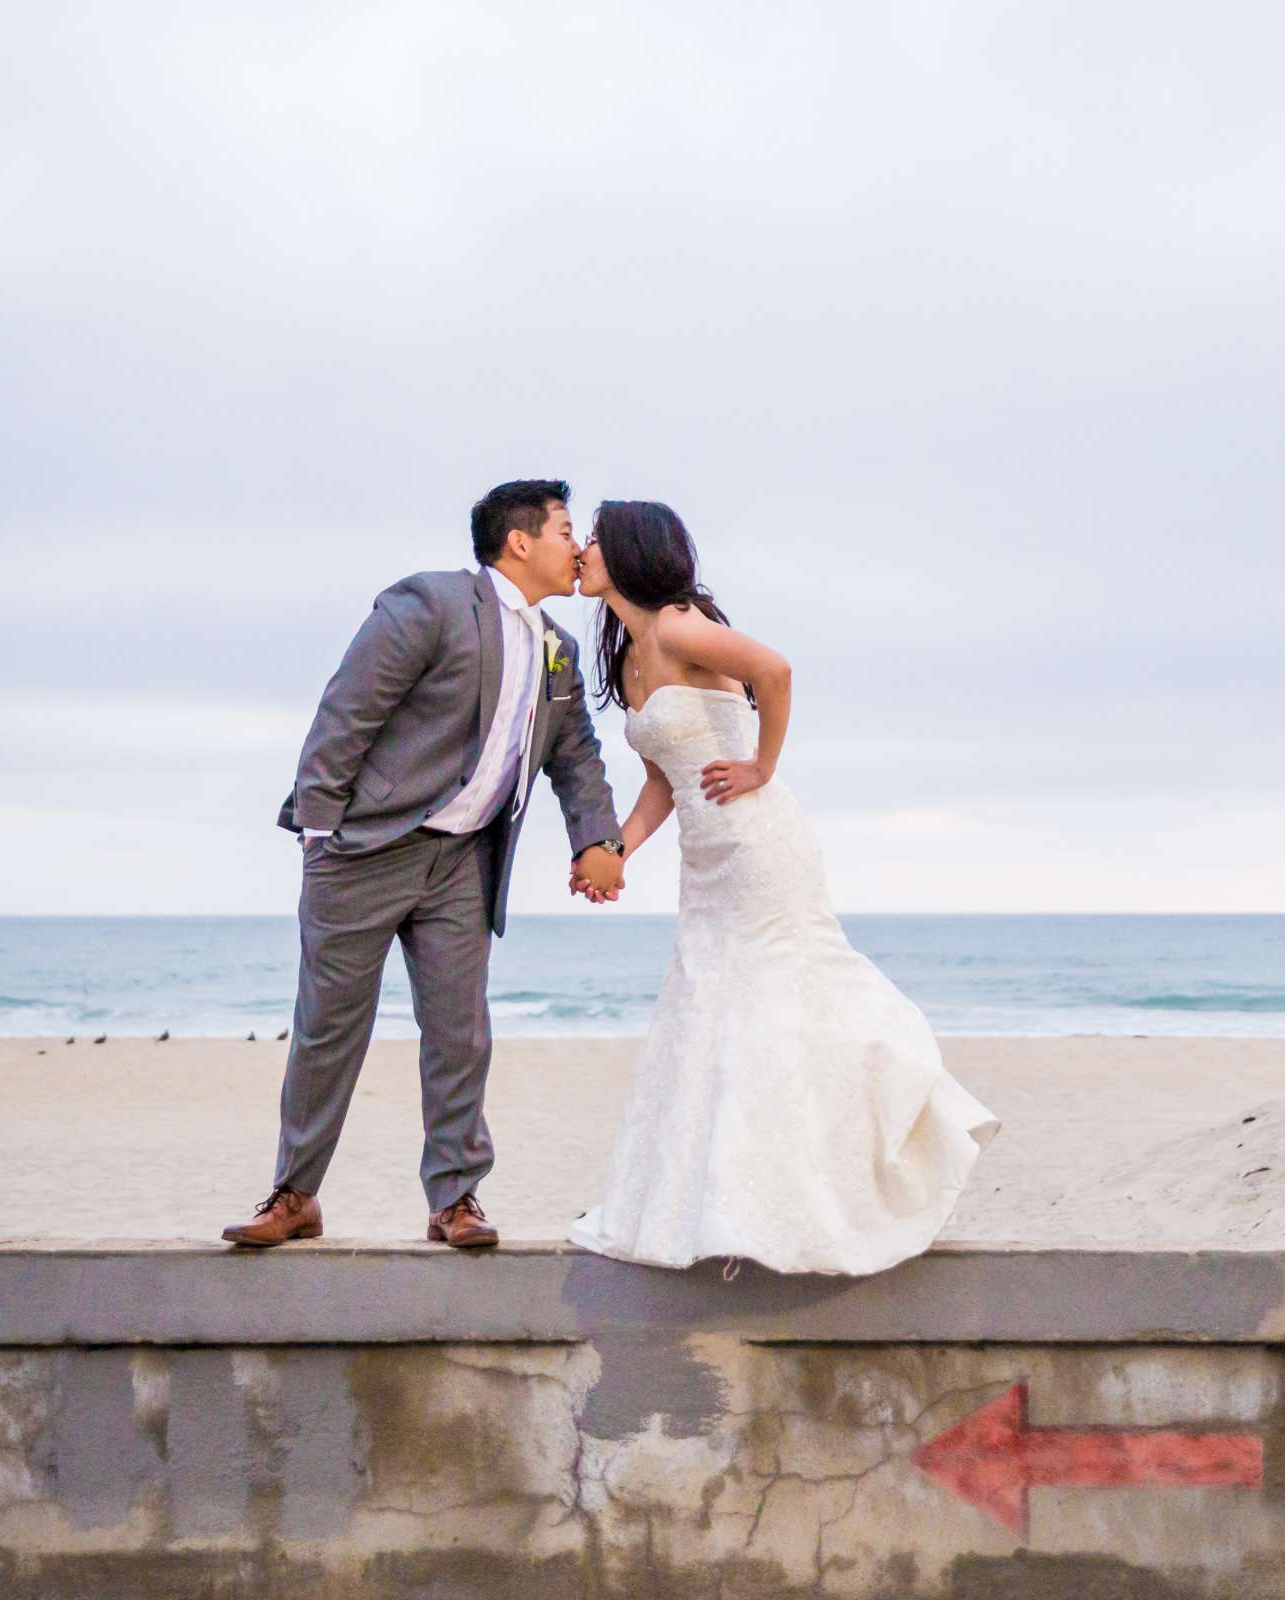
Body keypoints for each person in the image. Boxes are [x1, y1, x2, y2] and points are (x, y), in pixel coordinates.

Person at [566, 500, 998, 1275]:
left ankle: (878, 1146)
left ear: (629, 550)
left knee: (782, 998)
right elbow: (663, 784)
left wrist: (763, 765)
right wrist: (617, 851)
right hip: (707, 859)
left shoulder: (676, 625)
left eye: (594, 537)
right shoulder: (631, 657)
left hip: (761, 843)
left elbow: (776, 668)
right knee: (712, 1009)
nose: (583, 549)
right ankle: (729, 1207)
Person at [223, 479, 625, 1250]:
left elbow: (576, 757)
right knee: (329, 1028)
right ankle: (295, 1194)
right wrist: (318, 834)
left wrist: (595, 839)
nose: (578, 547)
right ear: (520, 540)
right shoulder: (431, 604)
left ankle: (456, 1200)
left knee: (460, 1032)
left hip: (463, 863)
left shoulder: (558, 650)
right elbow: (347, 712)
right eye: (568, 529)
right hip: (364, 849)